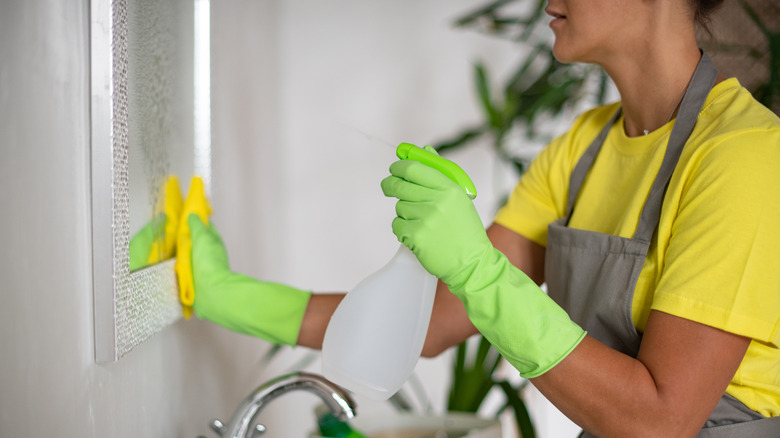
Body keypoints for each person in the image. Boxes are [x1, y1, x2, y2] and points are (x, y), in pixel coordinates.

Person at [187, 0, 780, 436]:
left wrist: (478, 269)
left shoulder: (743, 156)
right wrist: (227, 295)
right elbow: (434, 321)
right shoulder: (582, 150)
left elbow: (661, 420)